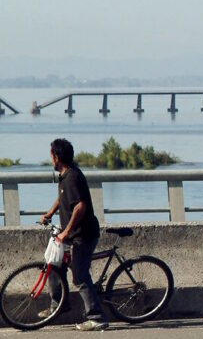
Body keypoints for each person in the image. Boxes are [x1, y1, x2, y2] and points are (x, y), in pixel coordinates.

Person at [40, 138, 109, 331]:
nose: (50, 159)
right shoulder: (65, 175)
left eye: (51, 155)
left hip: (83, 235)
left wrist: (66, 232)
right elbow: (63, 196)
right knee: (54, 264)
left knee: (79, 276)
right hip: (72, 234)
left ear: (57, 157)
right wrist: (50, 213)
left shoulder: (72, 177)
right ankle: (59, 304)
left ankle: (97, 317)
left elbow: (80, 206)